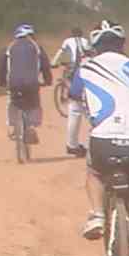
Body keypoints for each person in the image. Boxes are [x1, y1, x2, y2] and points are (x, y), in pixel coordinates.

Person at [69, 20, 129, 239]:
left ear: (94, 46)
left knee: (95, 173)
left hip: (102, 142)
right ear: (122, 43)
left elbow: (74, 110)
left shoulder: (84, 69)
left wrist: (71, 143)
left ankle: (97, 215)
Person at [0, 25, 50, 150]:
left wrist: (2, 81)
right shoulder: (37, 47)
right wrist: (48, 80)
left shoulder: (9, 47)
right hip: (32, 84)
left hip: (14, 84)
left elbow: (1, 66)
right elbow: (45, 65)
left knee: (12, 102)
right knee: (34, 104)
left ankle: (12, 126)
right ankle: (31, 126)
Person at [52, 22, 92, 158]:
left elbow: (60, 52)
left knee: (75, 105)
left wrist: (54, 62)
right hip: (87, 65)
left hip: (74, 66)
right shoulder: (85, 41)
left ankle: (72, 144)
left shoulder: (68, 40)